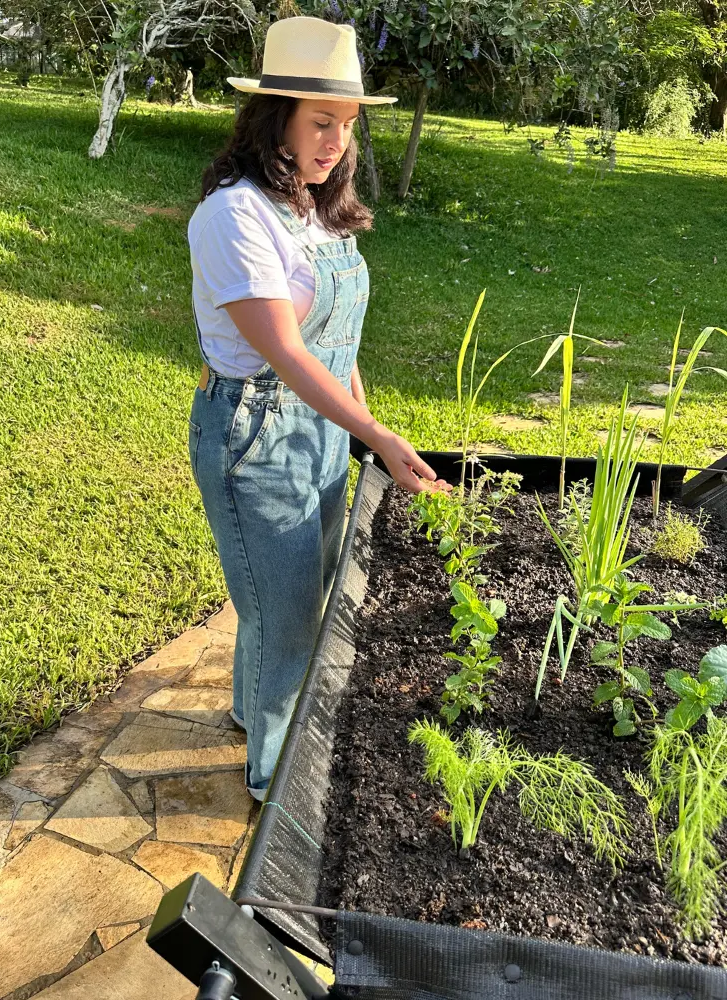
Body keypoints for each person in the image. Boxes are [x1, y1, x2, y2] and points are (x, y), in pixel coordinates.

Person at [187, 16, 445, 801]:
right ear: (277, 120)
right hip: (257, 434)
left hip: (322, 426)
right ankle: (276, 783)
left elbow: (337, 334)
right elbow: (288, 353)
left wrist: (358, 424)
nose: (336, 142)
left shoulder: (312, 202)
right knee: (289, 614)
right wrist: (376, 432)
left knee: (293, 597)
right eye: (321, 122)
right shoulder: (234, 217)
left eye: (348, 124)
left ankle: (249, 714)